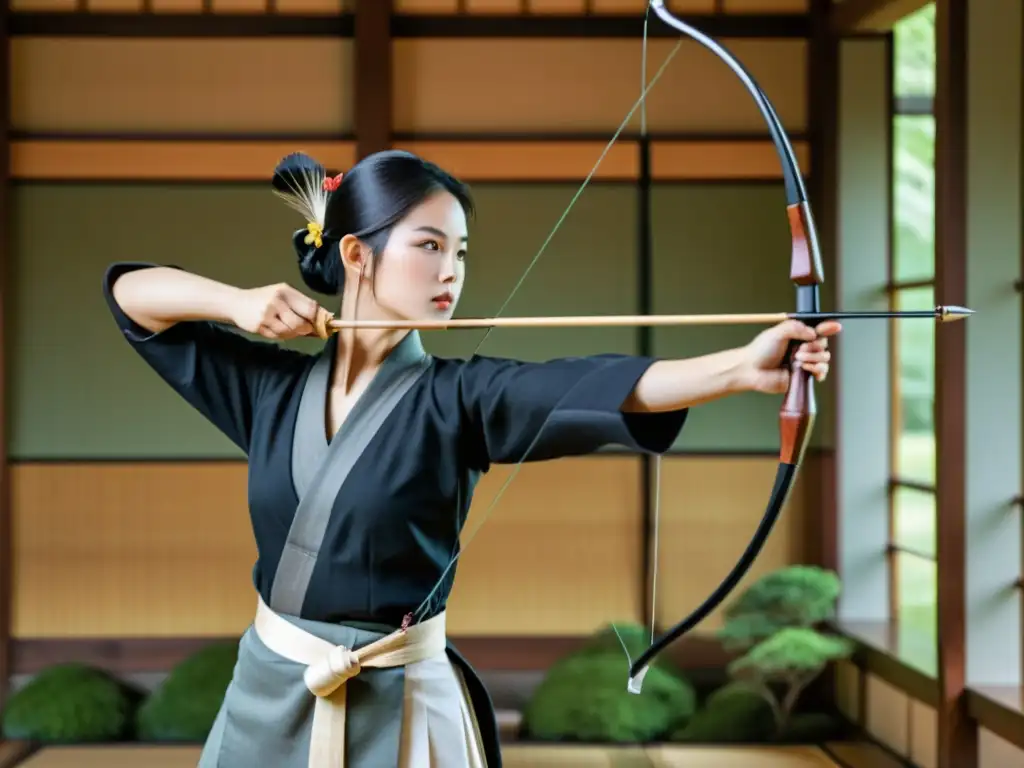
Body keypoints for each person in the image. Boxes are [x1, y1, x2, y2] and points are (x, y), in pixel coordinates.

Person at [102, 149, 838, 768]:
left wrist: (741, 369)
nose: (451, 270)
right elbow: (132, 296)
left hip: (398, 703)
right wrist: (234, 305)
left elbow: (585, 383)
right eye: (429, 245)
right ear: (357, 253)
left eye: (460, 252)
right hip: (271, 689)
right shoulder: (269, 390)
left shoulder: (461, 398)